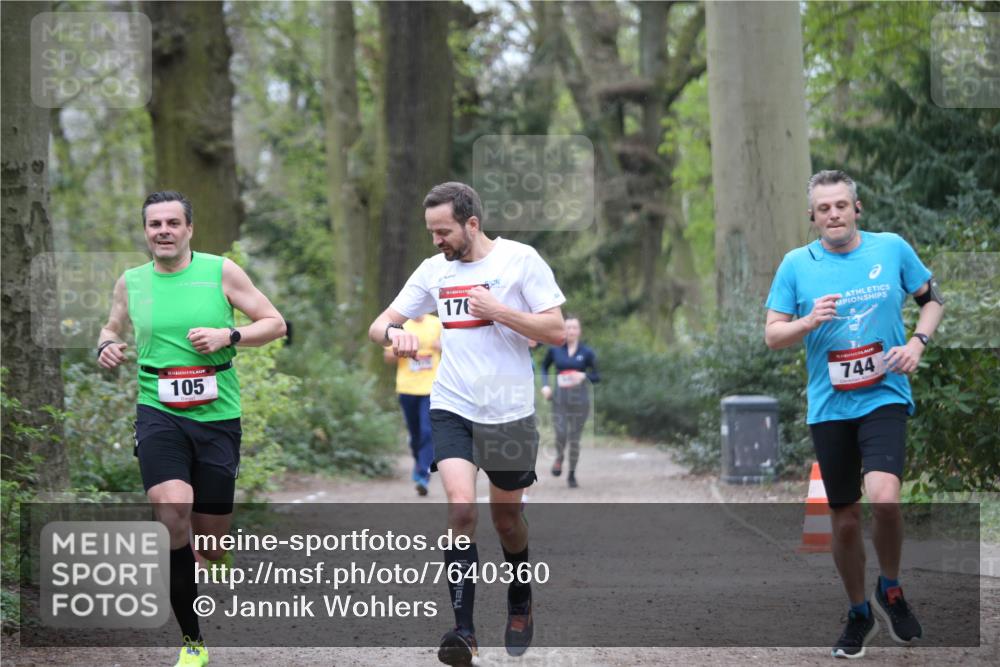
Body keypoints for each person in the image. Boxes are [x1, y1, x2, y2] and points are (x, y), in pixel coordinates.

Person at [368, 182, 565, 666]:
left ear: (471, 224)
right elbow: (379, 325)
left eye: (444, 231)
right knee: (460, 509)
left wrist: (499, 310)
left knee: (506, 520)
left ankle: (520, 597)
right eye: (431, 231)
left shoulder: (520, 260)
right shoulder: (433, 271)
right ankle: (464, 632)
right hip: (452, 404)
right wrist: (396, 334)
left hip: (510, 411)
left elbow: (556, 330)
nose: (436, 240)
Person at [98, 191, 286, 667]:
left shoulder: (219, 271)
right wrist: (107, 347)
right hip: (157, 410)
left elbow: (275, 323)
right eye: (154, 224)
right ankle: (193, 643)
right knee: (171, 507)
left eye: (172, 223)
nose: (163, 230)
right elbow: (111, 328)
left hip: (218, 414)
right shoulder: (131, 282)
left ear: (189, 229)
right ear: (146, 232)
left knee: (212, 539)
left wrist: (230, 335)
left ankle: (211, 552)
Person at [764, 170, 944, 659]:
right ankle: (858, 612)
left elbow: (931, 302)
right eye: (824, 209)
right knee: (843, 520)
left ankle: (891, 587)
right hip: (830, 405)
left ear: (857, 208)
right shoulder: (796, 265)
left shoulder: (890, 248)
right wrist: (807, 320)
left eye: (841, 205)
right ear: (812, 216)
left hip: (884, 392)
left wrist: (916, 343)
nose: (834, 214)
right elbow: (772, 334)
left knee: (884, 497)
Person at [383, 313, 443, 496]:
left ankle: (423, 474)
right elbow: (387, 358)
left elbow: (457, 349)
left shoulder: (437, 324)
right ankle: (419, 463)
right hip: (407, 387)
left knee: (428, 431)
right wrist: (400, 350)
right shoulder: (400, 327)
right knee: (415, 434)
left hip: (432, 387)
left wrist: (442, 346)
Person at [540, 316, 600, 488]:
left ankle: (572, 474)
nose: (571, 331)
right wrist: (545, 386)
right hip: (560, 398)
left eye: (574, 328)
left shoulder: (587, 353)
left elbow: (597, 376)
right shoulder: (555, 350)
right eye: (568, 327)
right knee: (560, 433)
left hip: (580, 399)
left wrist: (584, 375)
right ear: (563, 330)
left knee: (574, 438)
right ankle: (559, 456)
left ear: (579, 331)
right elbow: (544, 367)